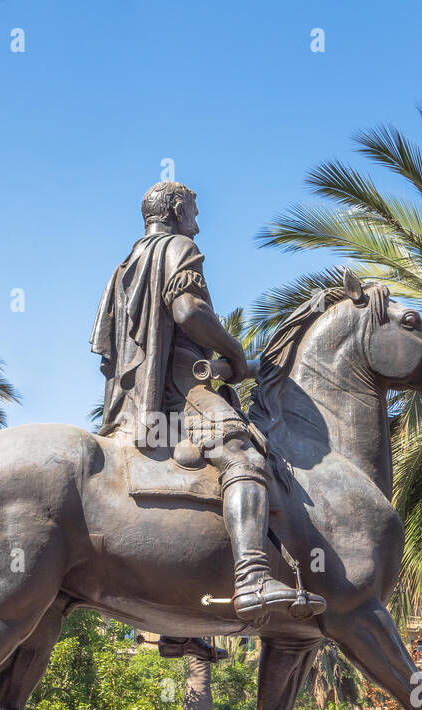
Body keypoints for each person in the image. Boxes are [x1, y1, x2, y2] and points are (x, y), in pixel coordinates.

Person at [90, 181, 326, 632]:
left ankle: (183, 634)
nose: (198, 217)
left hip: (140, 397)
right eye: (195, 206)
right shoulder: (177, 246)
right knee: (243, 455)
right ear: (178, 207)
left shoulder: (127, 264)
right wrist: (235, 354)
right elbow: (187, 311)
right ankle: (253, 577)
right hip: (181, 389)